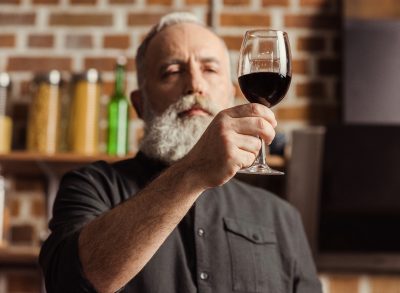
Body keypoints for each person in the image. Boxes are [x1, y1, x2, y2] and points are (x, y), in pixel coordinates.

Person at [39, 12, 322, 293]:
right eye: (172, 71)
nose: (195, 85)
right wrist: (193, 170)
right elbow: (68, 283)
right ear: (140, 104)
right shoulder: (92, 186)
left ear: (233, 94)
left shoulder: (282, 217)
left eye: (209, 70)